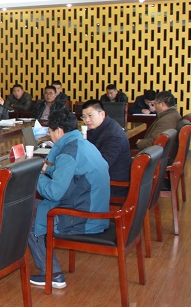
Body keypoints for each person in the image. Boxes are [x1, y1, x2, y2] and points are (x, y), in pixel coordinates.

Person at [27, 108, 110, 289]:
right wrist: (46, 169)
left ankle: (52, 274)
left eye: (50, 131)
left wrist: (34, 176)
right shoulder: (83, 144)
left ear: (59, 131)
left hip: (83, 218)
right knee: (34, 206)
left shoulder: (67, 153)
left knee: (28, 213)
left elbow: (54, 192)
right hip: (96, 209)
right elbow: (72, 174)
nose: (50, 136)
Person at [82, 99, 131, 197]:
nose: (87, 120)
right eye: (84, 117)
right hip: (103, 177)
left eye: (90, 115)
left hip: (113, 185)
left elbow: (102, 166)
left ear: (102, 114)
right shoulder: (102, 127)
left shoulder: (112, 135)